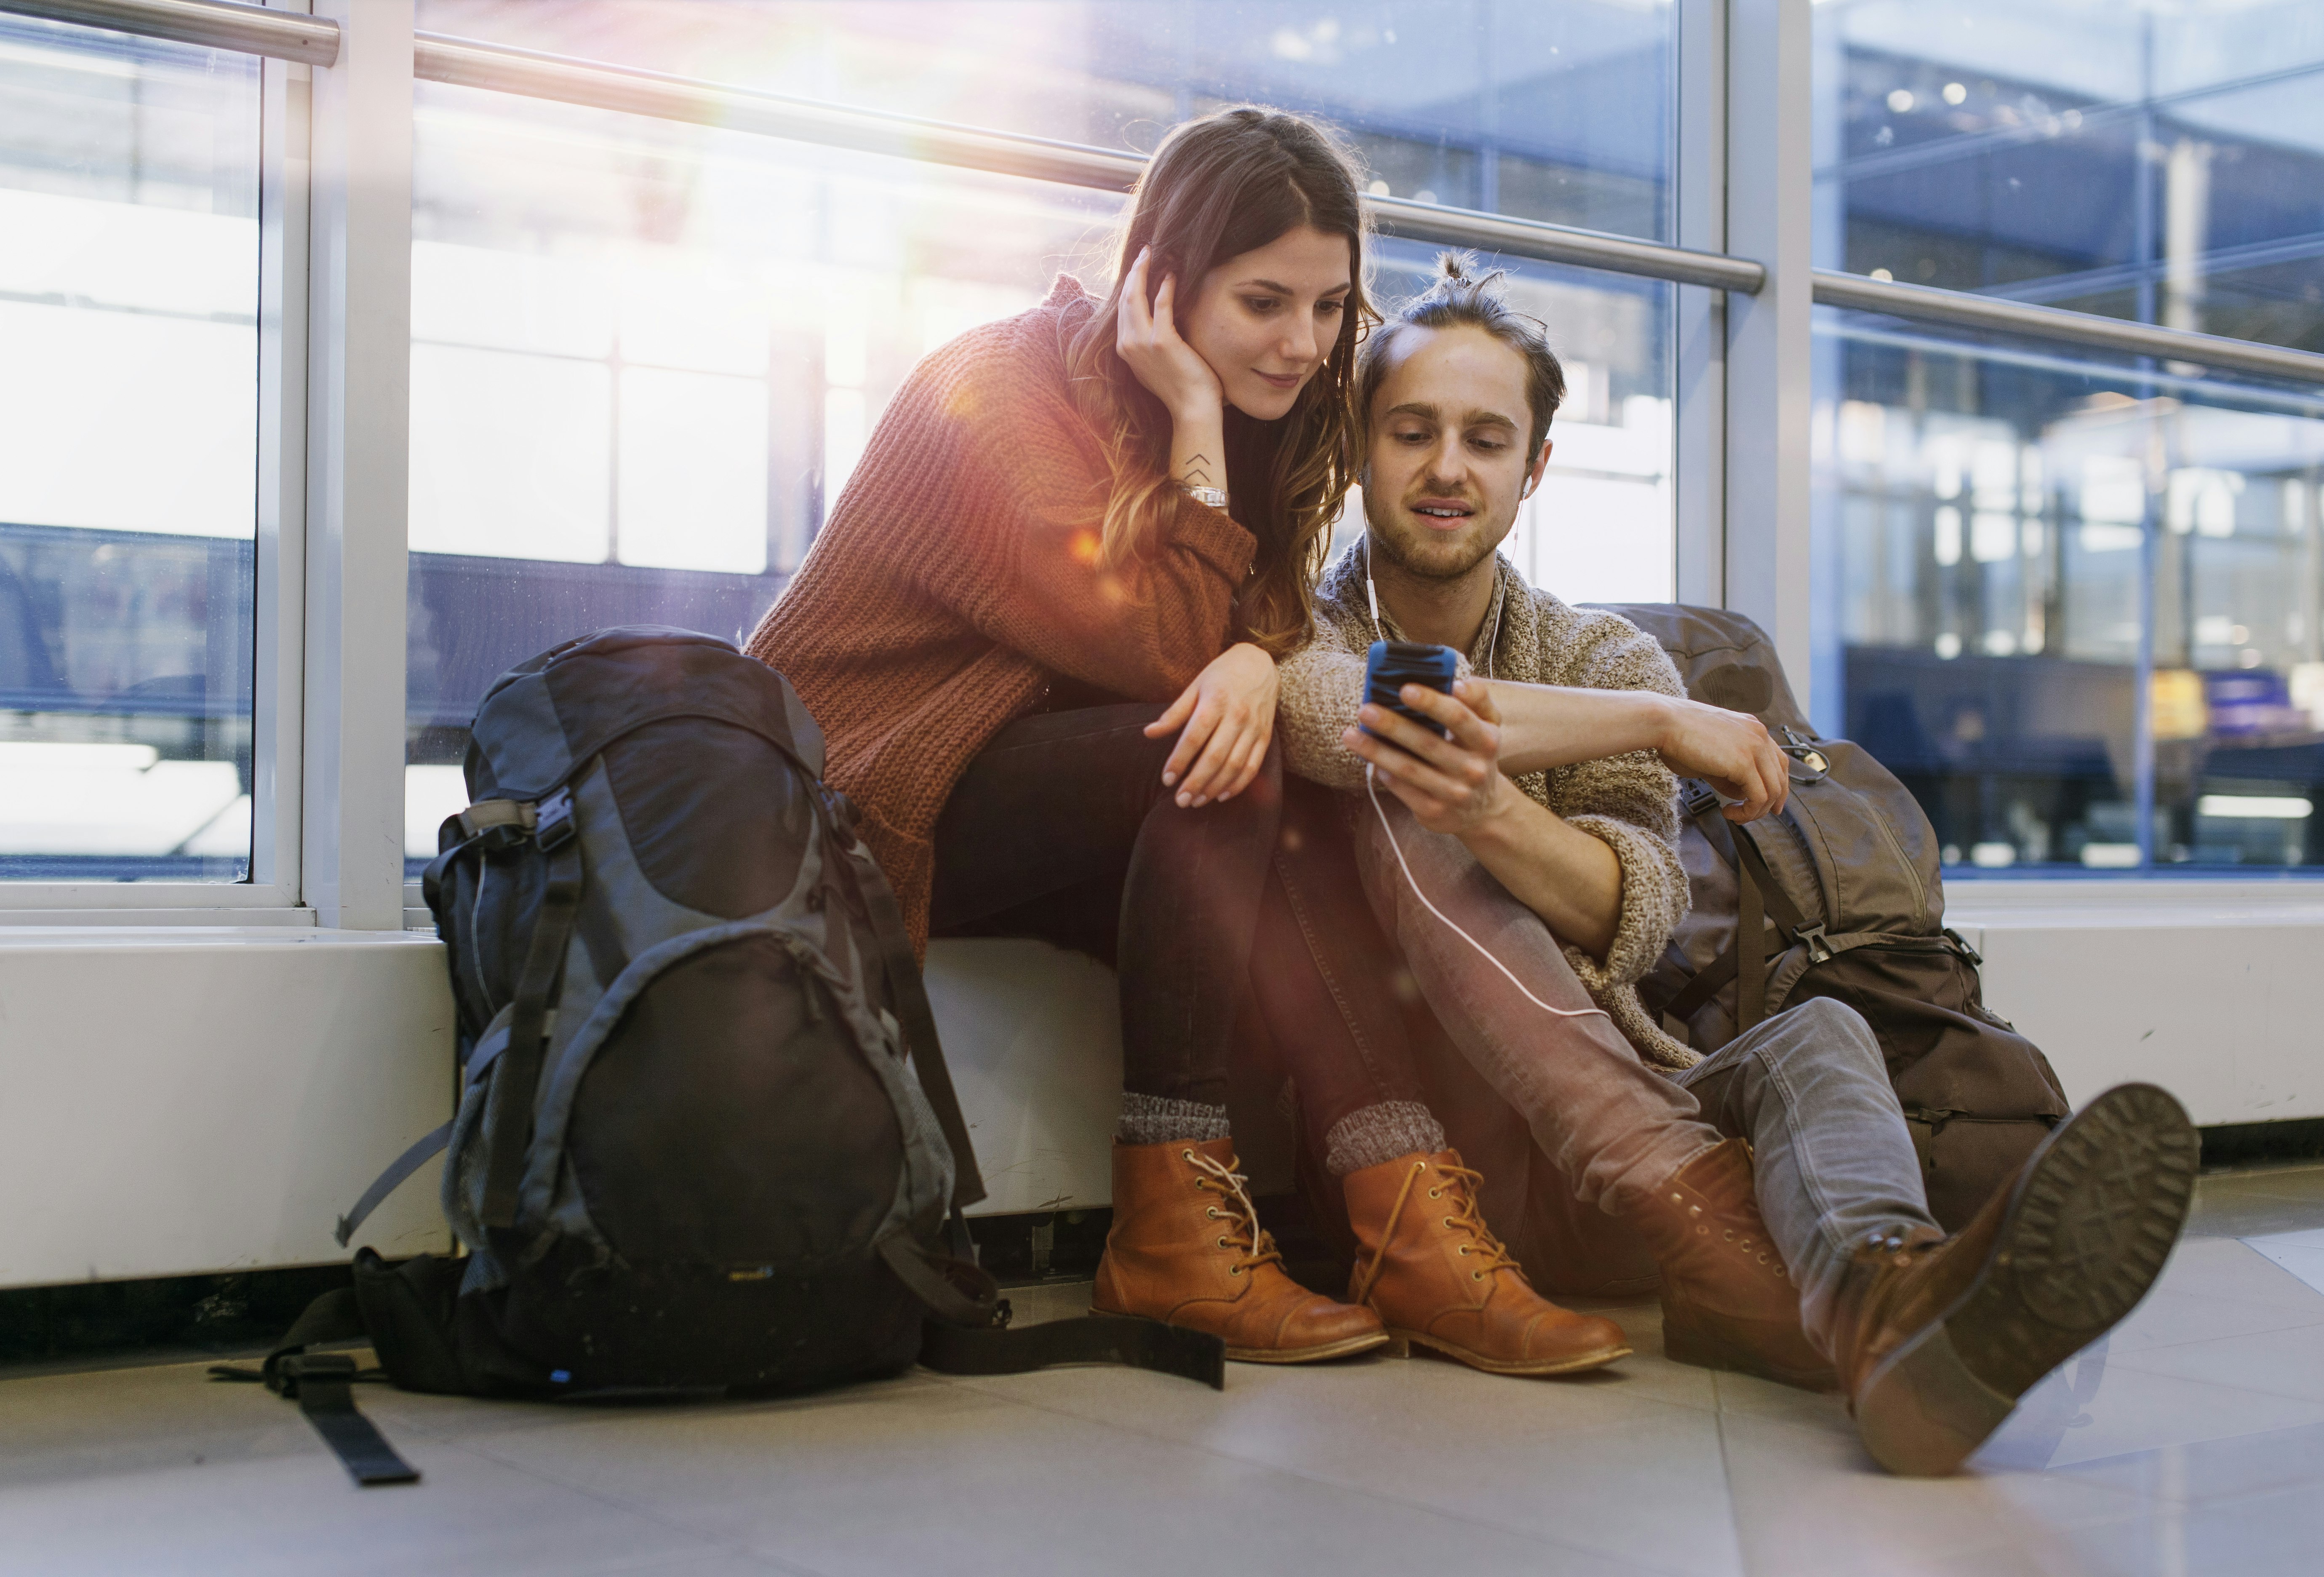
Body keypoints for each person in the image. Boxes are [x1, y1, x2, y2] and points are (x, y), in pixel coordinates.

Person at [1256, 256, 2197, 1475]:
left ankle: (1889, 1295)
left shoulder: (1605, 655)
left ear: (1533, 468)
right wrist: (1653, 729)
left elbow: (1633, 919)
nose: (1448, 469)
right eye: (1413, 432)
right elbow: (1345, 719)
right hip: (1431, 1159)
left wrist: (1501, 806)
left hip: (1621, 1127)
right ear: (1360, 447)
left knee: (1817, 1036)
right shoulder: (1300, 620)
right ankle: (1821, 1295)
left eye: (1487, 439)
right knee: (1408, 793)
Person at [746, 107, 1390, 1363]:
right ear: (1161, 277)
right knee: (1220, 762)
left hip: (1016, 785)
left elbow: (1253, 630)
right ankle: (1172, 1244)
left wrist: (1260, 657)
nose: (1304, 344)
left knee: (1320, 806)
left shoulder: (1274, 410)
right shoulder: (997, 389)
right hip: (858, 797)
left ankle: (1396, 1207)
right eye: (1265, 301)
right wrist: (1199, 424)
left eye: (1328, 306)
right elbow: (1161, 650)